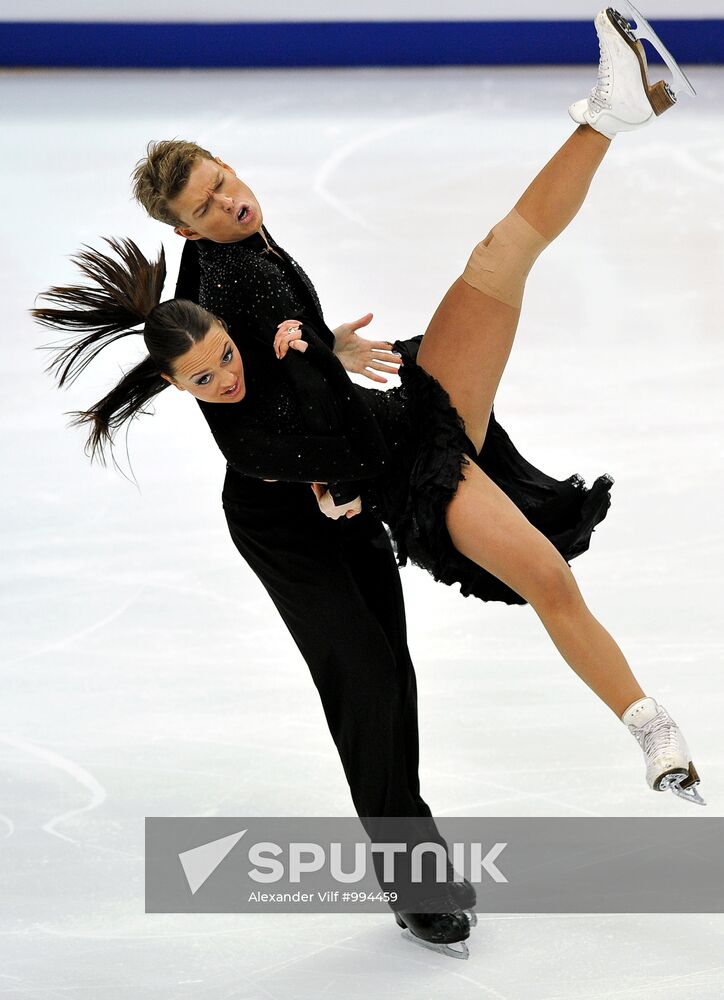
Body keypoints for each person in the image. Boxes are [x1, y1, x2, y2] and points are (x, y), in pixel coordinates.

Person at [32, 7, 705, 960]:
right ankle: (422, 881)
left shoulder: (240, 251)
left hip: (369, 449)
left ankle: (614, 113)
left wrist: (331, 350)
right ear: (185, 230)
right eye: (207, 206)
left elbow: (275, 371)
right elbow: (246, 432)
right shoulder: (218, 297)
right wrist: (325, 478)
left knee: (496, 265)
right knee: (371, 687)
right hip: (292, 511)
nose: (231, 204)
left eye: (225, 183)